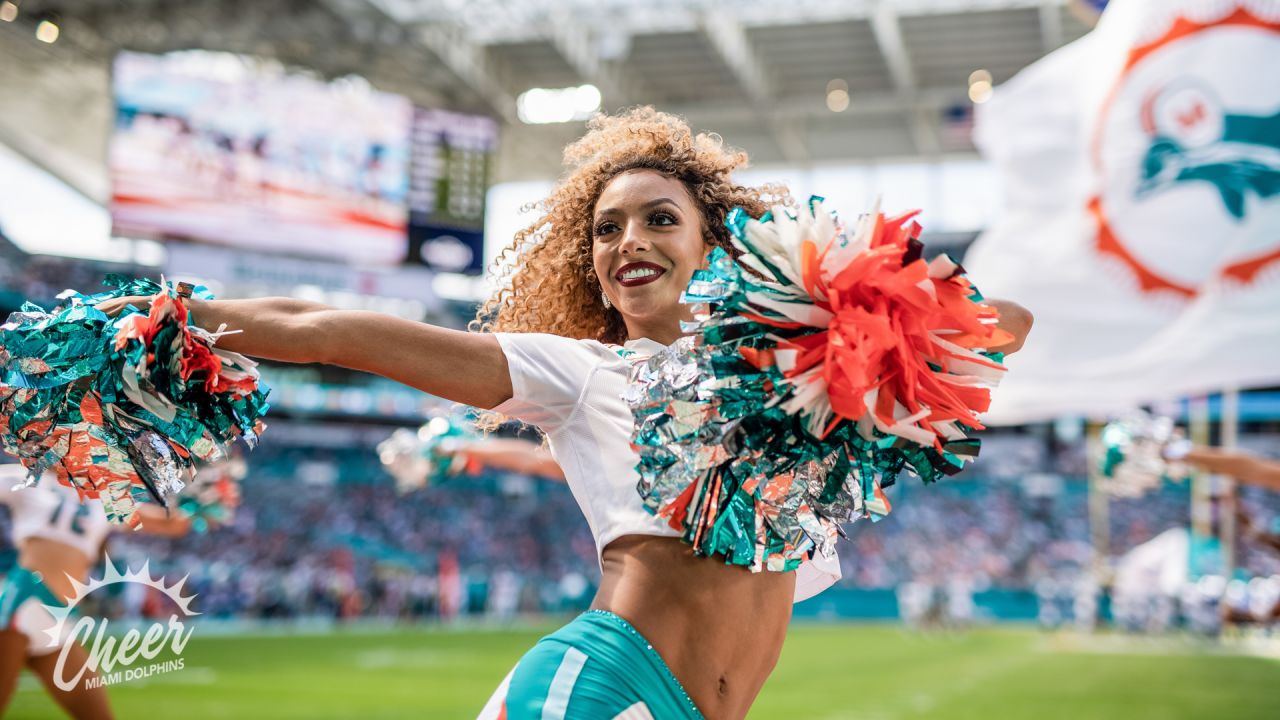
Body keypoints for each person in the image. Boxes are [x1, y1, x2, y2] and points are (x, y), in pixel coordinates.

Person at [99, 108, 1032, 719]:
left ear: (716, 241)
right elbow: (332, 330)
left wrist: (870, 305)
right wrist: (158, 321)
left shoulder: (800, 380)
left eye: (660, 218)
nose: (629, 240)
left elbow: (1003, 330)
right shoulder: (579, 373)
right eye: (606, 227)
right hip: (601, 688)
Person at [0, 466, 195, 719]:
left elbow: (176, 524)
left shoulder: (103, 496)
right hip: (23, 602)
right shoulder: (25, 478)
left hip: (57, 619)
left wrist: (203, 499)